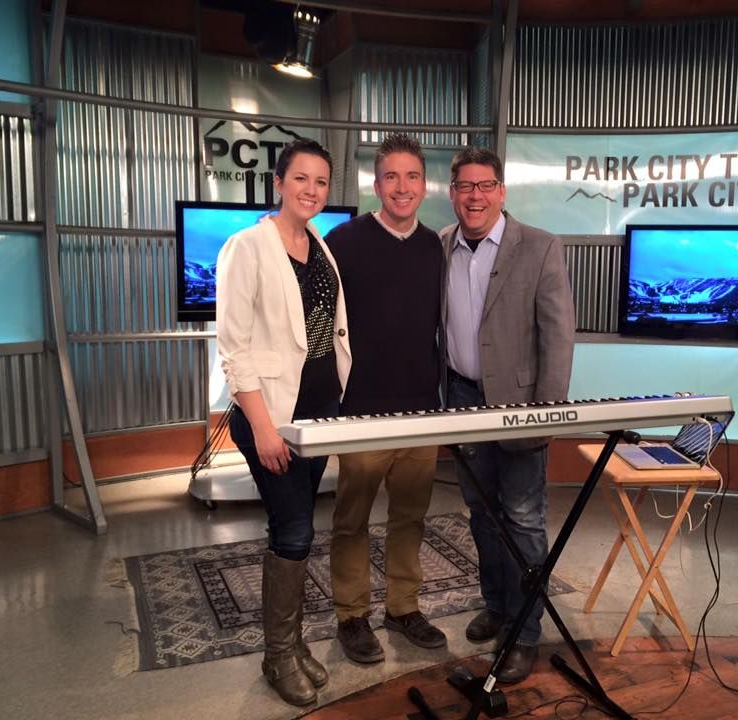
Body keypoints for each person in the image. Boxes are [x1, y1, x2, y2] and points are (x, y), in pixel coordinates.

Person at [216, 138, 351, 706]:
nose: (311, 190)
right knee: (293, 530)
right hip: (272, 416)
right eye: (301, 179)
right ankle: (278, 656)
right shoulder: (247, 246)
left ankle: (291, 645)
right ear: (278, 183)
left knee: (297, 529)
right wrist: (264, 428)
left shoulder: (319, 244)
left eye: (321, 181)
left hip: (318, 414)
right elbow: (234, 348)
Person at [440, 146, 575, 683]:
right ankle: (496, 605)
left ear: (501, 191)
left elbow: (558, 338)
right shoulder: (441, 245)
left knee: (522, 519)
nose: (474, 196)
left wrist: (547, 415)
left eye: (485, 186)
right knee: (481, 512)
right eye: (464, 186)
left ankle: (523, 632)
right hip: (461, 400)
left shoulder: (540, 246)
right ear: (452, 193)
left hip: (522, 407)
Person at [325, 133, 446, 663]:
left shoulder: (435, 247)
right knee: (351, 519)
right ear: (376, 185)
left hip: (421, 410)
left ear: (424, 185)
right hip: (360, 412)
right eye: (391, 176)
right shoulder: (343, 241)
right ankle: (351, 615)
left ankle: (403, 607)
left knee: (410, 516)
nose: (402, 186)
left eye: (412, 176)